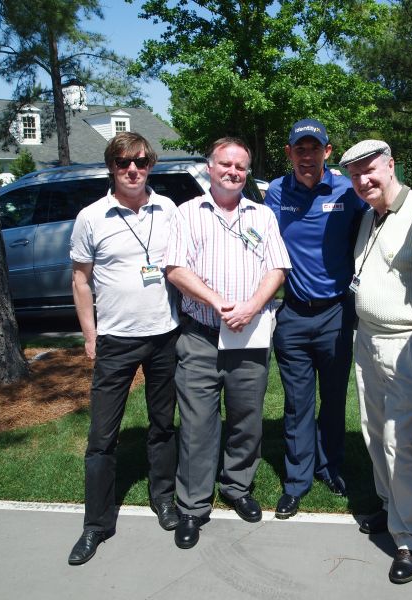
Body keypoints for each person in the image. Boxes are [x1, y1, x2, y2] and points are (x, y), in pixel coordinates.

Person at [165, 137, 291, 549]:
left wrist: (253, 306)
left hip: (250, 337)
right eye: (225, 164)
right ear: (210, 167)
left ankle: (237, 487)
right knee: (198, 425)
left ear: (247, 171)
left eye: (240, 165)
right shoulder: (187, 214)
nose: (233, 171)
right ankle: (193, 506)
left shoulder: (263, 214)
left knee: (246, 420)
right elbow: (175, 269)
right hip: (201, 335)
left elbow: (277, 267)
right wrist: (218, 303)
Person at [339, 139, 412, 584]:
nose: (364, 180)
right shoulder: (369, 216)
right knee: (372, 432)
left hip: (410, 344)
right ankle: (392, 513)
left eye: (371, 170)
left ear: (391, 165)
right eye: (355, 174)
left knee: (400, 443)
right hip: (367, 340)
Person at [68, 132, 181, 566]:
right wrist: (90, 335)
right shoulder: (91, 217)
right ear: (111, 167)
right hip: (115, 341)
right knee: (102, 437)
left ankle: (164, 500)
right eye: (122, 162)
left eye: (140, 161)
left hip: (165, 334)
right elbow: (81, 279)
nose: (132, 169)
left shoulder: (167, 208)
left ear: (150, 164)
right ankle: (96, 524)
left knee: (162, 426)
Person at [264, 119, 366, 519]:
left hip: (337, 314)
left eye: (315, 148)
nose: (307, 156)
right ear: (290, 153)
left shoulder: (347, 190)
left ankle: (330, 467)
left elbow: (378, 222)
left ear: (327, 152)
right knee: (297, 403)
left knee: (334, 400)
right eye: (299, 149)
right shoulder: (275, 192)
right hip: (292, 314)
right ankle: (296, 481)